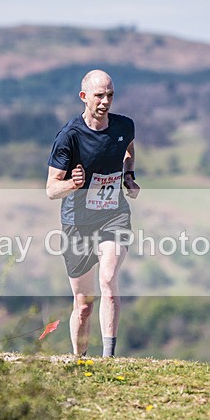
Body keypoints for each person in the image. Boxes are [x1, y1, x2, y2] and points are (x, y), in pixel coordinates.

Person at [46, 69, 140, 358]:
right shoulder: (69, 136)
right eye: (99, 96)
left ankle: (109, 358)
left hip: (113, 214)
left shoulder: (125, 125)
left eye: (110, 95)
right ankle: (80, 360)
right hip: (77, 221)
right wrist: (72, 184)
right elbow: (51, 189)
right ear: (84, 97)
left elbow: (128, 150)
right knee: (84, 304)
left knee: (109, 279)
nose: (105, 102)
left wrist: (128, 175)